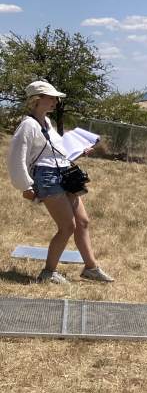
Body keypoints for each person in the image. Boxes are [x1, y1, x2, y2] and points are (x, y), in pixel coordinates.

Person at [6, 81, 114, 284]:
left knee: (82, 222)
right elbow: (16, 157)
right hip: (47, 177)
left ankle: (91, 268)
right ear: (38, 99)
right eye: (51, 97)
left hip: (63, 174)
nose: (55, 101)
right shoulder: (28, 125)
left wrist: (79, 151)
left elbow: (57, 151)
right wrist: (26, 186)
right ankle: (48, 272)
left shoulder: (47, 122)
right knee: (67, 226)